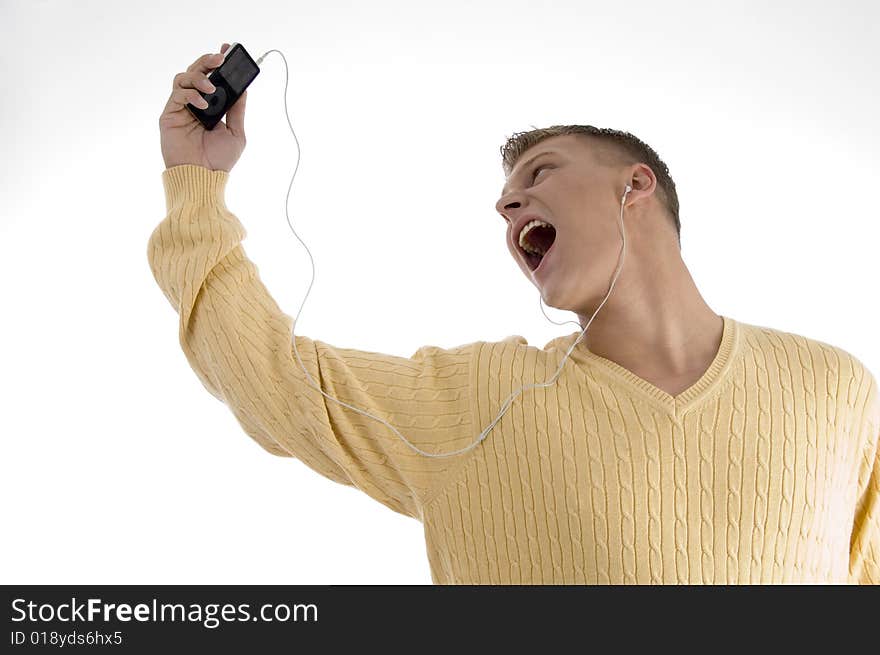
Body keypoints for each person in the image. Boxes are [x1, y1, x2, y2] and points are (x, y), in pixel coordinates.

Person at [149, 44, 879, 584]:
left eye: (541, 173)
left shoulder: (835, 388)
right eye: (505, 200)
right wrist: (196, 184)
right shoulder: (478, 400)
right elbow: (274, 381)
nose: (507, 206)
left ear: (636, 185)